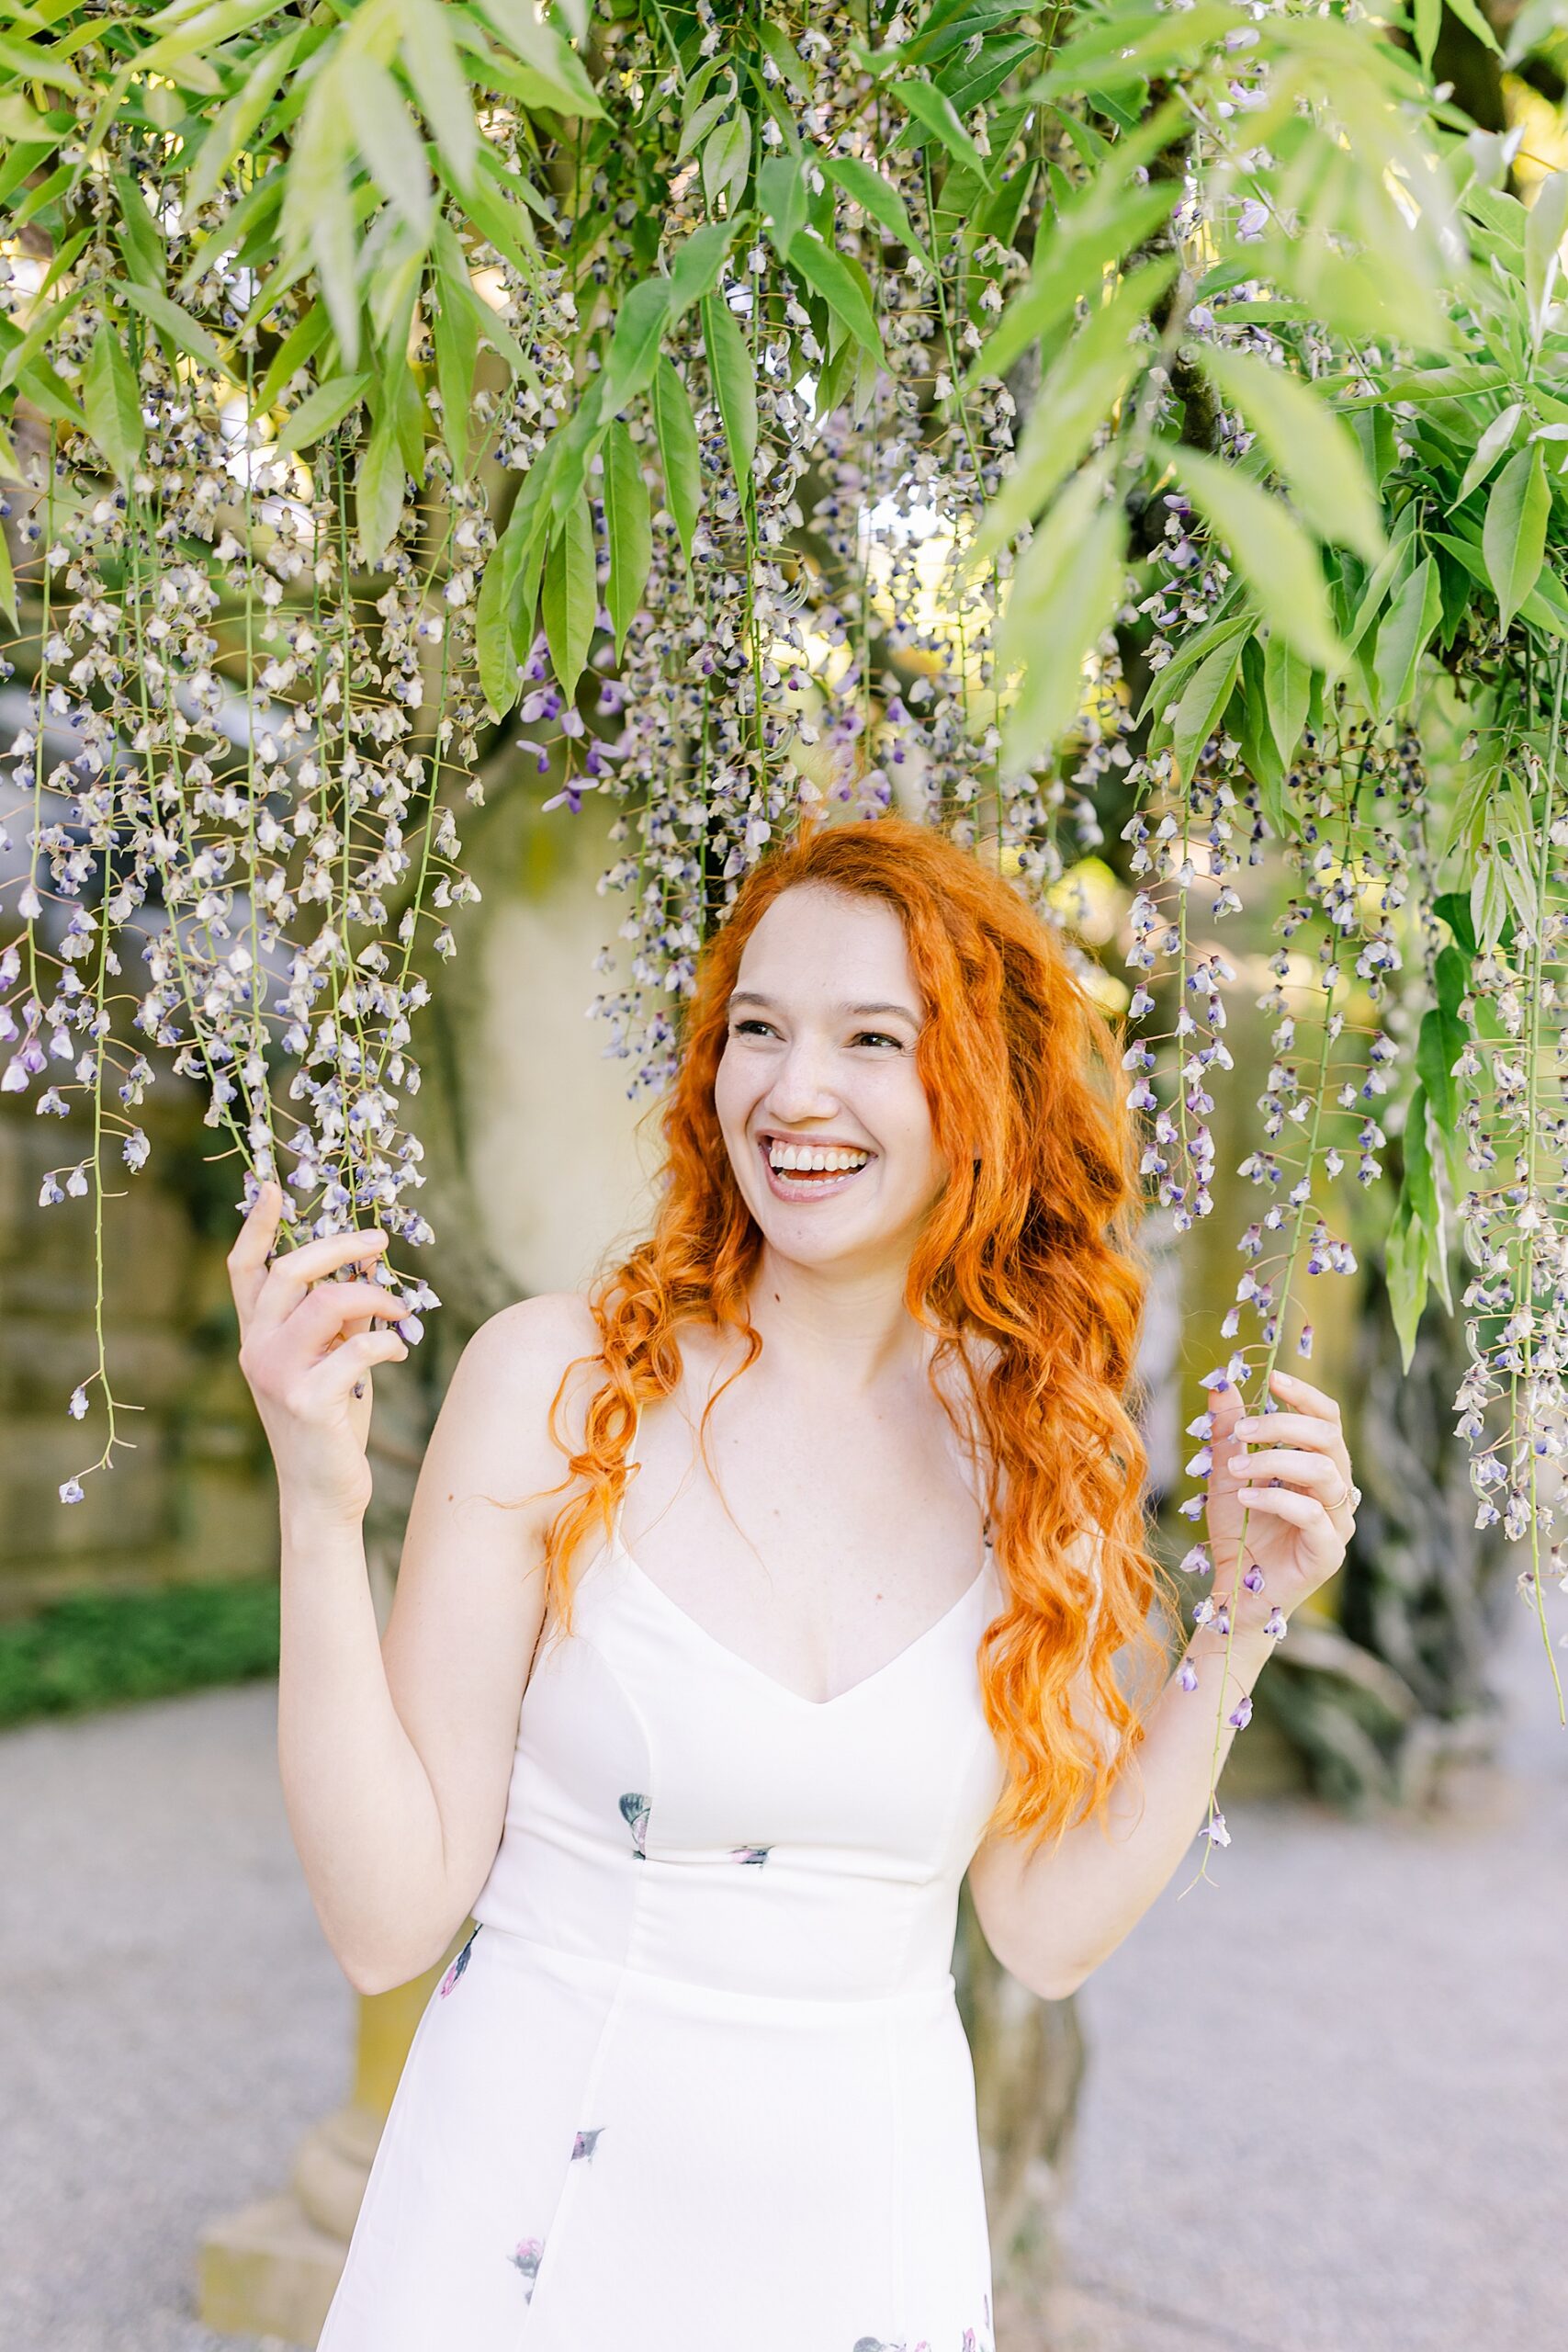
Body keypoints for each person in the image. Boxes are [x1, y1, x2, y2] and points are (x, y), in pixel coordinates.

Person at [229, 818, 1359, 2349]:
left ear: (981, 1094)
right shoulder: (558, 1389)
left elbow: (1040, 1923)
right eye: (756, 1030)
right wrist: (318, 1494)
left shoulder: (1039, 1459)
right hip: (524, 2244)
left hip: (860, 2256)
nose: (792, 1090)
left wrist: (1236, 1624)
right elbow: (383, 1919)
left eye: (871, 1039)